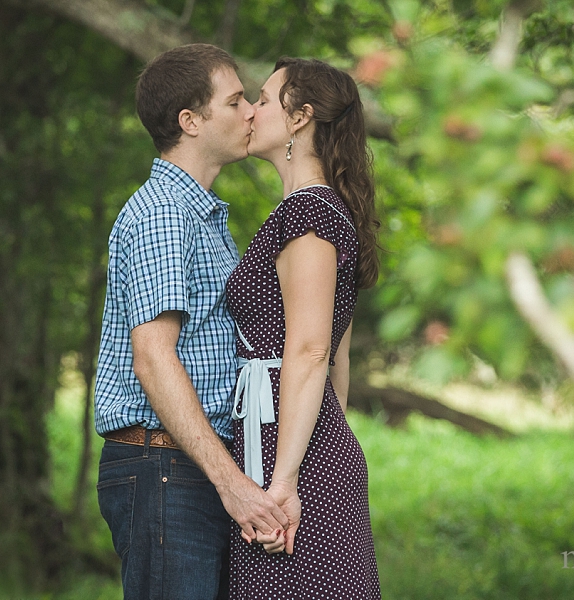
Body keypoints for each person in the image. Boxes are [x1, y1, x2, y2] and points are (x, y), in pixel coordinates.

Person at [94, 44, 288, 600]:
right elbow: (154, 359)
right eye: (235, 102)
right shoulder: (164, 214)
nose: (252, 110)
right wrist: (233, 485)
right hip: (164, 469)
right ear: (191, 121)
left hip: (184, 466)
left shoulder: (199, 214)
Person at [226, 57, 382, 599]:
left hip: (293, 461)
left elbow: (315, 350)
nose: (250, 111)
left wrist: (288, 477)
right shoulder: (315, 211)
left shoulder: (310, 216)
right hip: (288, 442)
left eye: (264, 100)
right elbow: (337, 362)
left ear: (300, 117)